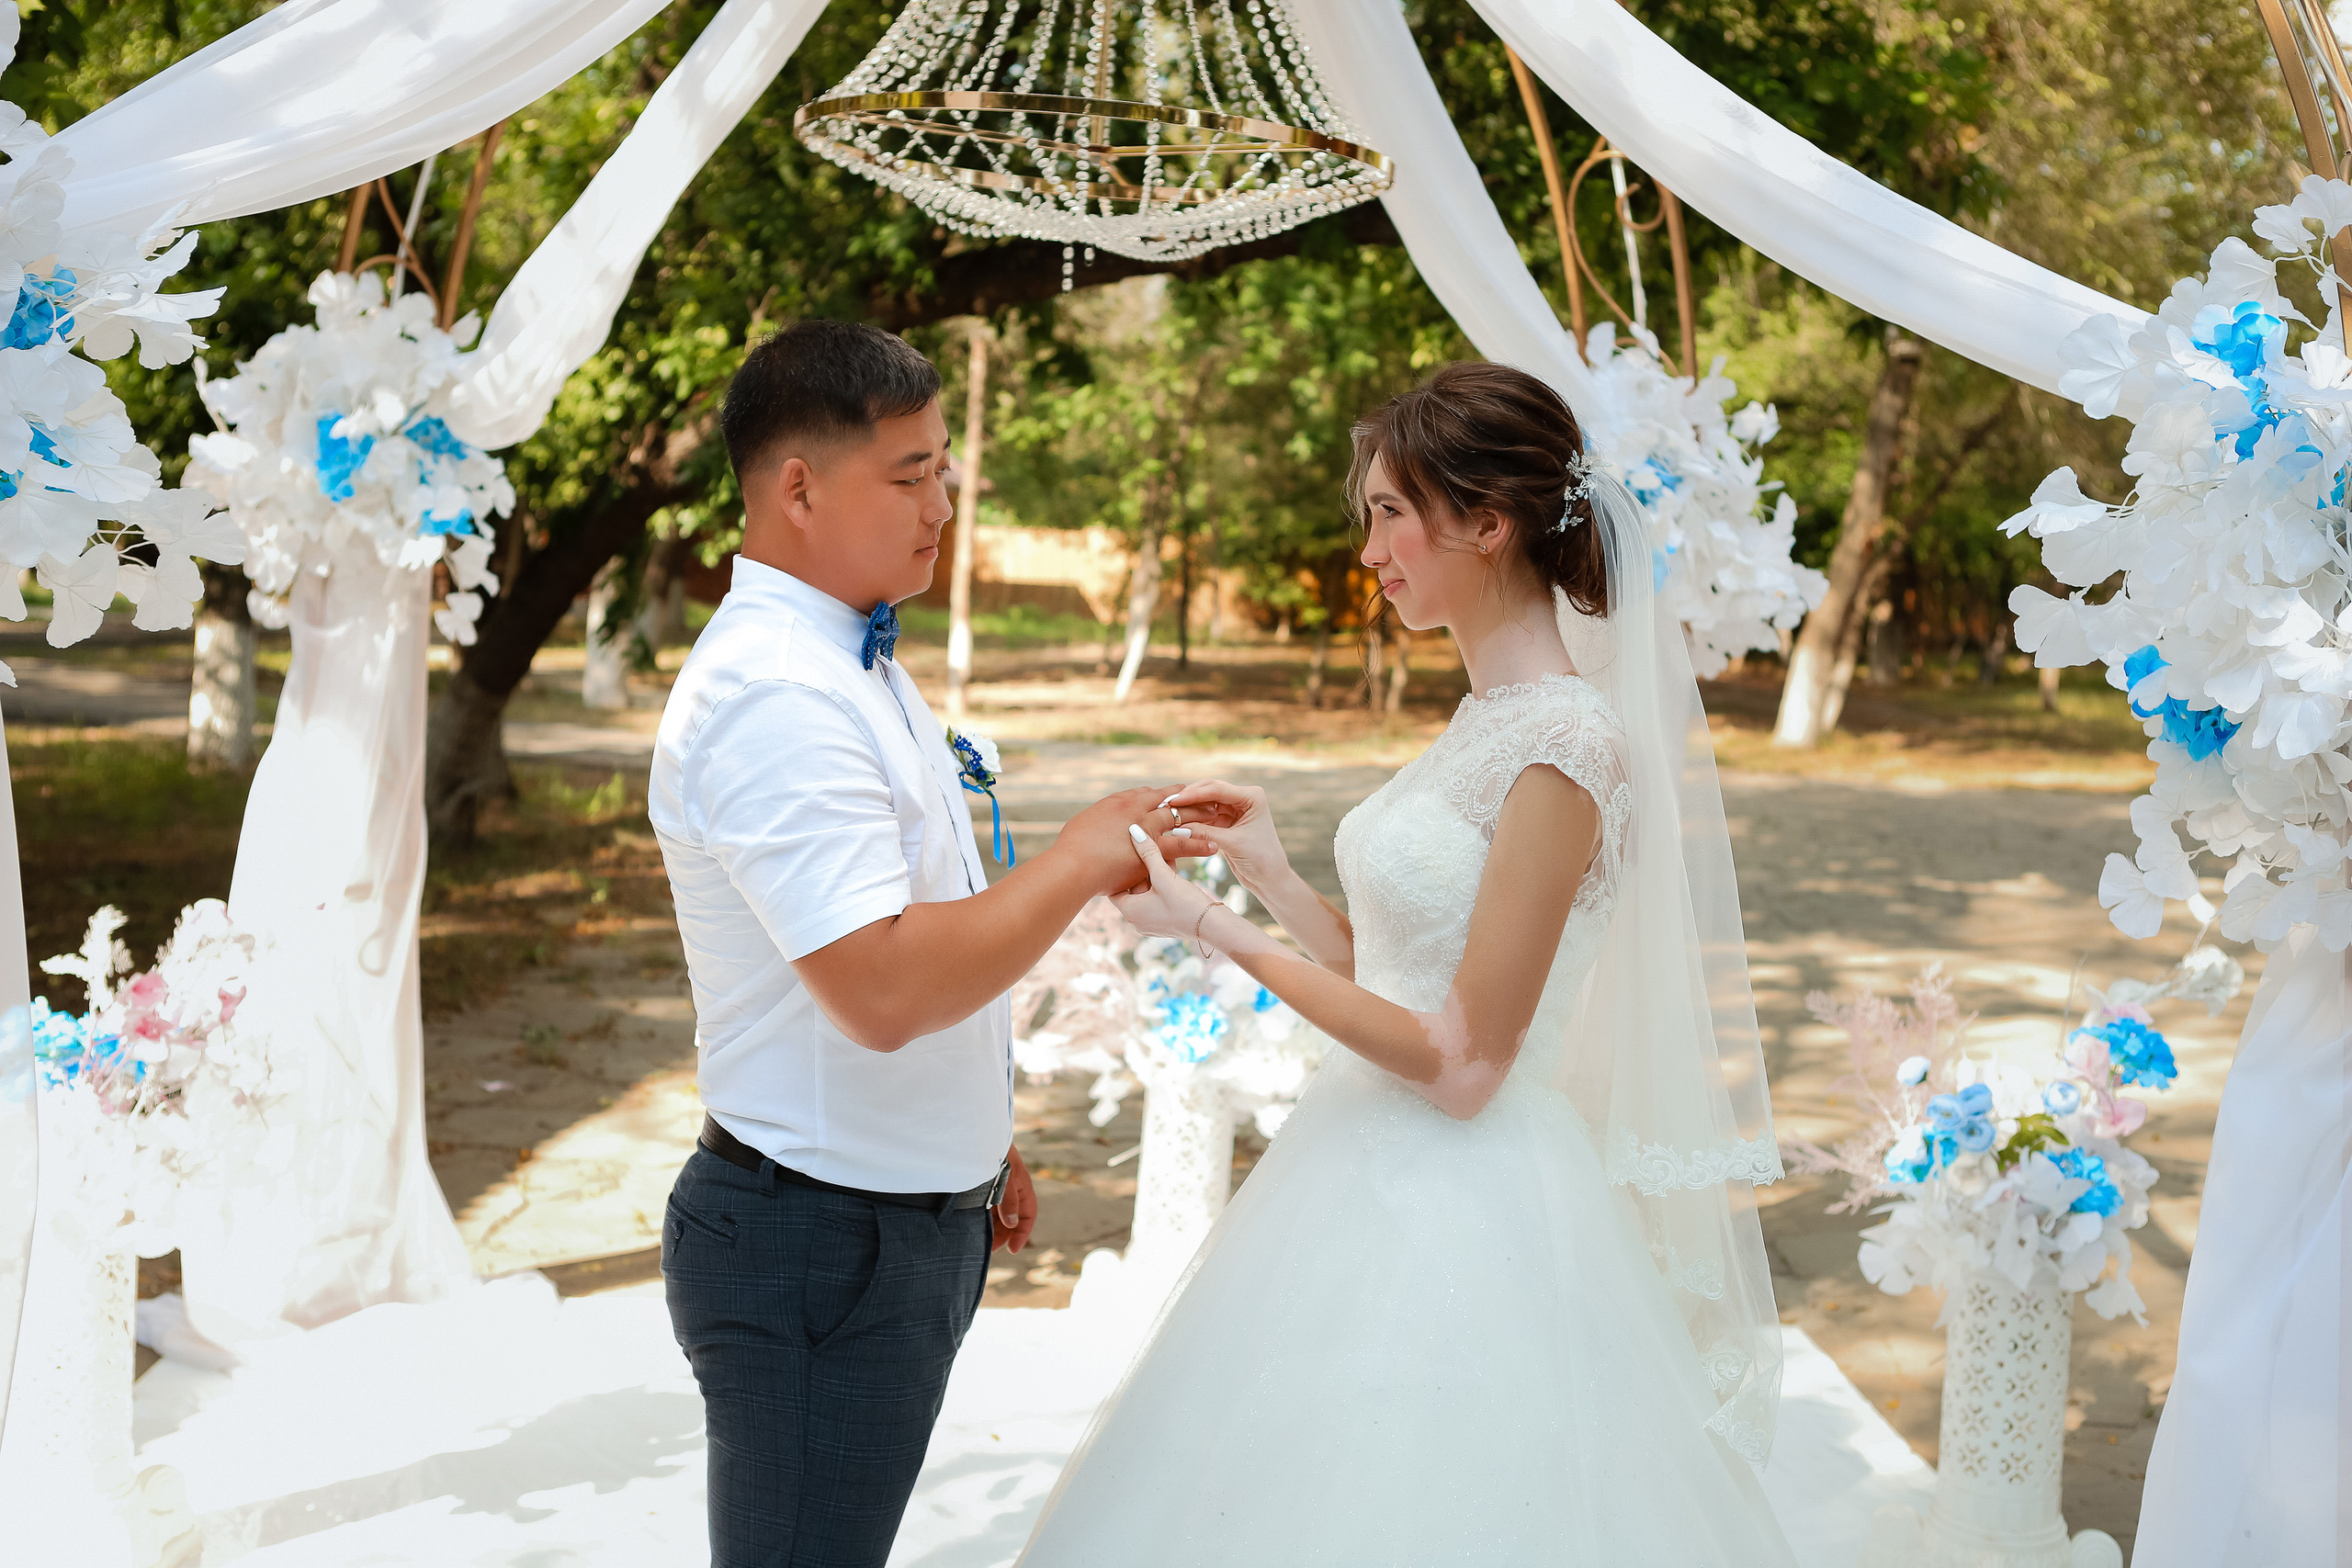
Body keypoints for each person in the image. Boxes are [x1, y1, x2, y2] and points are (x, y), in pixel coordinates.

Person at [1016, 362, 1798, 1564]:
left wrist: (1214, 930)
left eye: (1389, 513)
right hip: (1360, 1166)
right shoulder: (1488, 722)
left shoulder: (1567, 747)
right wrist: (1270, 872)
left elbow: (1465, 1063)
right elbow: (1402, 976)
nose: (1369, 549)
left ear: (1486, 525)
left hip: (1472, 1200)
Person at [649, 319, 1184, 1568]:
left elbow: (911, 908)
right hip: (819, 1240)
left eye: (943, 468)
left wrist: (973, 1135)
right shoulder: (780, 689)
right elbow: (881, 988)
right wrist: (1078, 861)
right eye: (911, 474)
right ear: (798, 487)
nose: (945, 503)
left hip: (887, 1216)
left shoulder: (853, 651)